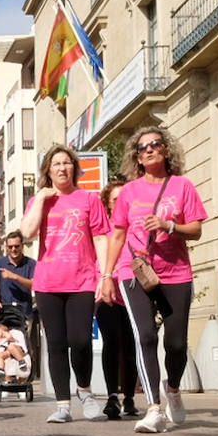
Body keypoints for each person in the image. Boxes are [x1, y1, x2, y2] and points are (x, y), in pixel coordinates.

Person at [101, 125, 208, 434]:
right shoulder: (129, 191)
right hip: (133, 269)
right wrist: (107, 275)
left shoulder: (182, 186)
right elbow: (118, 233)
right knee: (145, 336)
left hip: (176, 271)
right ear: (136, 156)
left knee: (176, 344)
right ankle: (153, 409)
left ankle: (172, 388)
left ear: (166, 150)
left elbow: (197, 229)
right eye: (142, 147)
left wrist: (169, 225)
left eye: (155, 144)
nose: (148, 149)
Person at [20, 143, 111, 423]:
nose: (62, 168)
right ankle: (62, 405)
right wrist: (39, 199)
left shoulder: (89, 199)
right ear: (48, 170)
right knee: (56, 343)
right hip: (48, 283)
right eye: (56, 164)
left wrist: (105, 275)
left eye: (67, 163)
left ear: (75, 168)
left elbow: (100, 237)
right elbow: (26, 232)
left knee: (80, 340)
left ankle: (85, 391)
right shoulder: (41, 201)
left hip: (82, 280)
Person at [96, 178, 139, 419]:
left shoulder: (137, 227)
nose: (121, 203)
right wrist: (101, 282)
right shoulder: (103, 230)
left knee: (132, 345)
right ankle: (113, 396)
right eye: (116, 199)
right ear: (109, 204)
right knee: (111, 343)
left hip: (134, 291)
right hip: (106, 292)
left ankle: (130, 397)